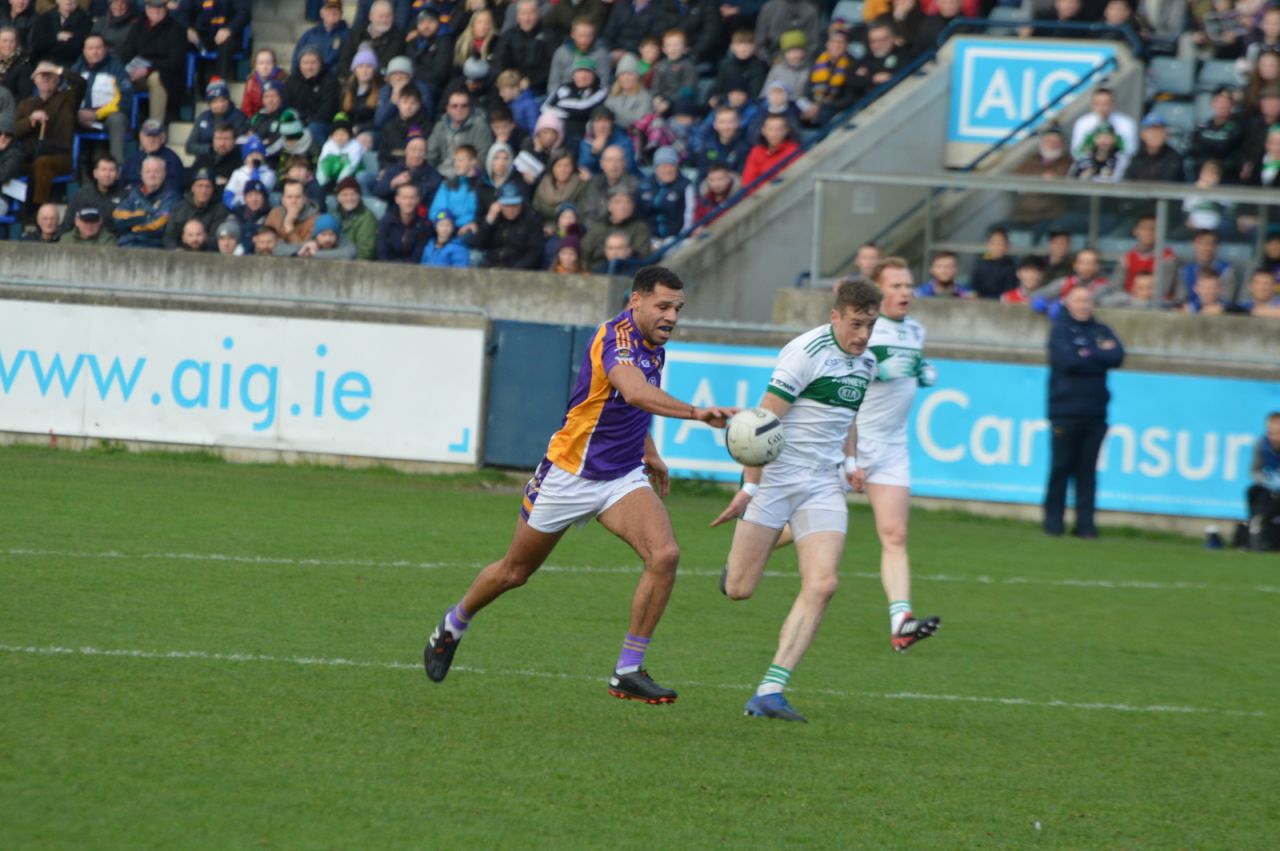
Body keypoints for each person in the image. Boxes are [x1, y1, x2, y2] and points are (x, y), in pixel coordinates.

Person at [424, 266, 735, 704]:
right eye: (663, 306)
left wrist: (648, 451)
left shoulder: (655, 344)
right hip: (569, 474)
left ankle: (627, 669)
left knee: (664, 555)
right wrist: (696, 413)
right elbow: (632, 391)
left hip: (621, 476)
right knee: (515, 572)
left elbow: (623, 408)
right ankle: (454, 623)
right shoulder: (616, 338)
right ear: (636, 301)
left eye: (677, 308)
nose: (671, 316)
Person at [710, 277, 883, 722]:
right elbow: (760, 424)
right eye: (857, 324)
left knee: (824, 583)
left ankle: (770, 690)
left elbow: (847, 417)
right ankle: (752, 550)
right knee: (739, 589)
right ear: (836, 316)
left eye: (871, 325)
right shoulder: (805, 354)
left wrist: (850, 463)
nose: (863, 335)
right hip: (778, 478)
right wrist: (749, 488)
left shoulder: (867, 364)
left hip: (822, 484)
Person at [1043, 287, 1124, 539]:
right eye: (1078, 300)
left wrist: (1087, 353)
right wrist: (1097, 355)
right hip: (1065, 411)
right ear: (1067, 303)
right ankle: (1053, 523)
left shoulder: (1101, 329)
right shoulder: (1060, 330)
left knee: (1087, 471)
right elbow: (1068, 361)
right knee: (1061, 467)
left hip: (1095, 412)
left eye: (1087, 300)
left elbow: (1118, 355)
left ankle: (1085, 526)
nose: (1083, 305)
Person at [14, 60, 85, 210]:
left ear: (58, 79)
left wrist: (58, 68)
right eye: (42, 75)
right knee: (9, 164)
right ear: (34, 79)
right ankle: (10, 208)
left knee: (42, 164)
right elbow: (13, 130)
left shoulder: (68, 99)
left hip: (59, 157)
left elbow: (81, 83)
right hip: (30, 157)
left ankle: (38, 211)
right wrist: (30, 120)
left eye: (50, 75)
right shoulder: (25, 104)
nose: (46, 79)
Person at [474, 179, 545, 268]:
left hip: (517, 268)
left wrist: (514, 271)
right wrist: (489, 220)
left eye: (514, 205)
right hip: (493, 264)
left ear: (520, 204)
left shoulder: (531, 219)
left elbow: (534, 252)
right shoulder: (496, 217)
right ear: (500, 204)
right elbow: (479, 245)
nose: (511, 210)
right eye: (507, 205)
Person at [112, 154, 178, 248]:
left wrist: (133, 227)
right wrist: (144, 215)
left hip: (152, 247)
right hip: (126, 244)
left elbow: (160, 226)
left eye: (157, 172)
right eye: (148, 172)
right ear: (141, 174)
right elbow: (118, 217)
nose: (152, 175)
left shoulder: (171, 197)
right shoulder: (133, 194)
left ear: (164, 174)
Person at [1242, 412, 1280, 551]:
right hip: (1269, 487)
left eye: (1278, 433)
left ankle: (1262, 525)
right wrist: (1264, 480)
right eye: (1271, 432)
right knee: (1253, 492)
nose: (1274, 437)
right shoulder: (1261, 444)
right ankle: (1256, 526)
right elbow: (1254, 470)